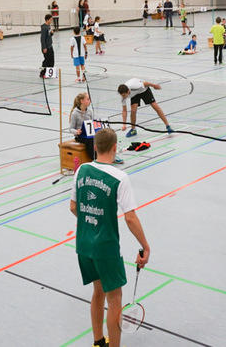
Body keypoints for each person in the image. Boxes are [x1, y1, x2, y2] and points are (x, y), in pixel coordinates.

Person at [70, 127, 150, 347]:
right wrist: (145, 246)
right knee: (115, 299)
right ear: (115, 148)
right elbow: (130, 218)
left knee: (98, 291)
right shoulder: (119, 177)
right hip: (105, 248)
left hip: (83, 244)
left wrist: (91, 221)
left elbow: (73, 207)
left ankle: (98, 342)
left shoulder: (82, 170)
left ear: (95, 147)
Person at [69, 92, 97, 162]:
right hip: (80, 136)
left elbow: (92, 123)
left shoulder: (90, 111)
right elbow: (71, 129)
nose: (89, 101)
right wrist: (76, 131)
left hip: (90, 134)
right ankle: (94, 159)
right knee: (91, 140)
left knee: (101, 137)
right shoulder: (75, 113)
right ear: (82, 101)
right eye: (88, 99)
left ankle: (106, 155)